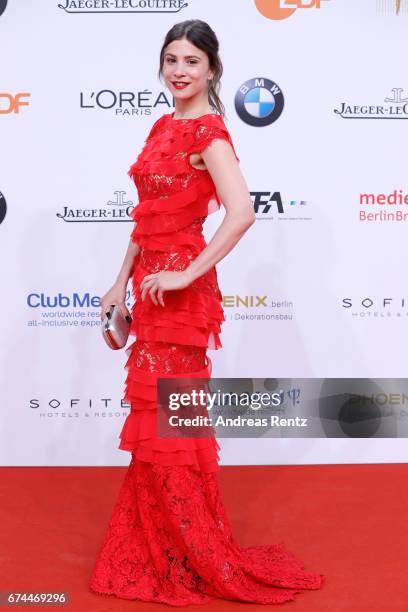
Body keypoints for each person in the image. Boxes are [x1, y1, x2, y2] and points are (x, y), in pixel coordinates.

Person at [89, 18, 325, 606]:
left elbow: (241, 212)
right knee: (157, 421)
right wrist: (120, 281)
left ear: (212, 70)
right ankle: (159, 542)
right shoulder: (161, 125)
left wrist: (188, 272)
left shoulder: (209, 134)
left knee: (176, 425)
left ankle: (194, 547)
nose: (179, 70)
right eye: (171, 59)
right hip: (147, 288)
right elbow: (148, 221)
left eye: (192, 61)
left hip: (181, 297)